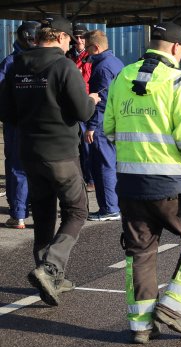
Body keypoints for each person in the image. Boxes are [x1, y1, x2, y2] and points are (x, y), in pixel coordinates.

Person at [104, 22, 181, 344]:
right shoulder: (180, 81)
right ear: (177, 48)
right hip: (170, 185)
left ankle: (140, 325)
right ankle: (173, 308)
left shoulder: (123, 76)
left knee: (140, 252)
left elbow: (109, 128)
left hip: (128, 184)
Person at [0, 16, 99, 306]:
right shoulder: (63, 66)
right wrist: (92, 100)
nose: (70, 44)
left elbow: (6, 113)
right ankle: (50, 267)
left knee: (43, 215)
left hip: (30, 151)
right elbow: (82, 112)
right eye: (69, 39)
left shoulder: (16, 65)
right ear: (59, 38)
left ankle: (50, 277)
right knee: (78, 211)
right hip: (61, 153)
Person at [0, 21, 38, 228]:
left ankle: (19, 213)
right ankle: (32, 208)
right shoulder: (48, 61)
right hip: (40, 123)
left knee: (17, 166)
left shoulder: (11, 62)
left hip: (16, 123)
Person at [84, 30, 124, 222]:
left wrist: (91, 126)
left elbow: (102, 101)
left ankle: (109, 208)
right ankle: (113, 204)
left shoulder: (102, 69)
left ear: (96, 47)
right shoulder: (116, 62)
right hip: (115, 121)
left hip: (102, 125)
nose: (86, 51)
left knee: (102, 167)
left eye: (88, 47)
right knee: (111, 165)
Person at [70, 23, 95, 192]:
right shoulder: (67, 55)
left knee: (87, 144)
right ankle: (77, 178)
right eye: (76, 37)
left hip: (87, 103)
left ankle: (91, 178)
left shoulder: (92, 56)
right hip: (71, 103)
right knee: (74, 145)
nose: (79, 40)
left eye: (82, 37)